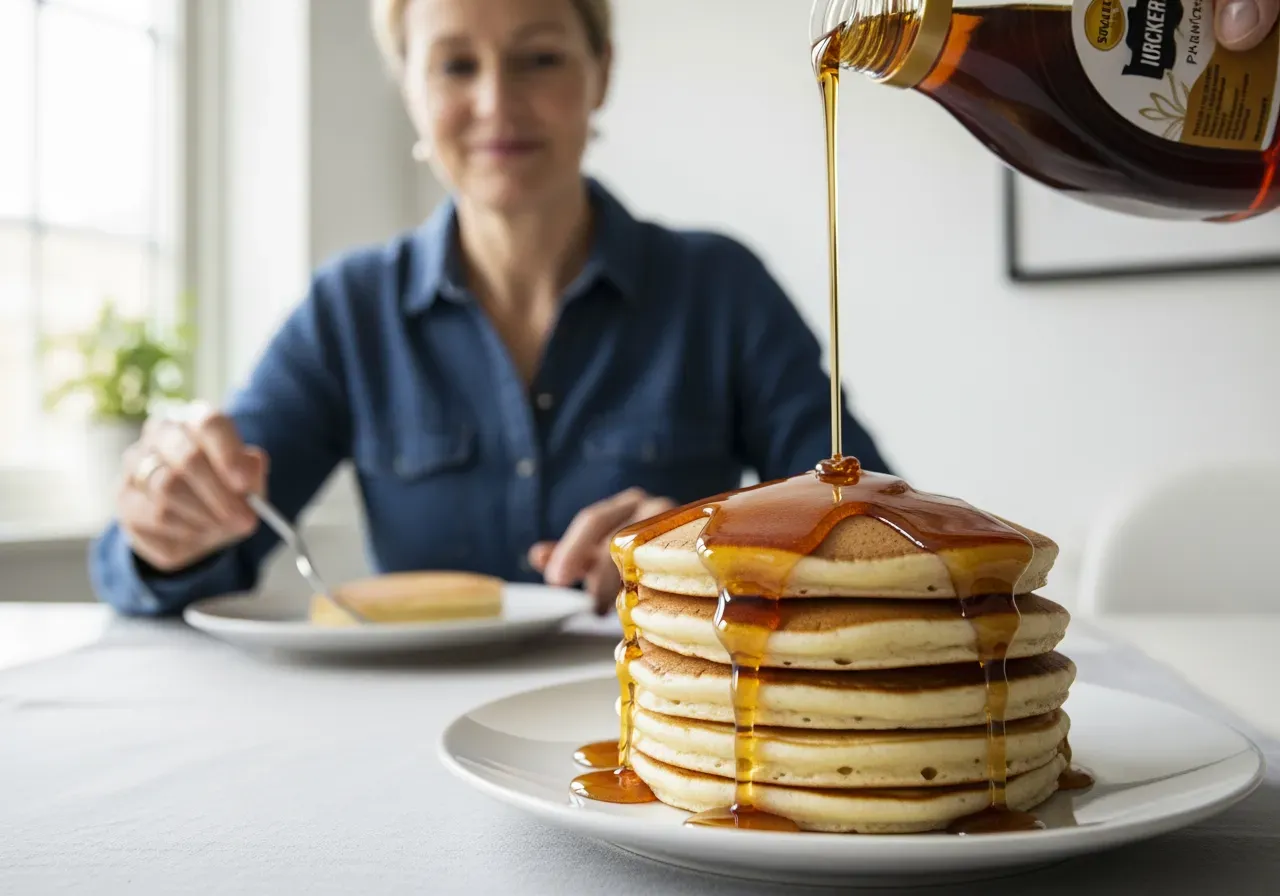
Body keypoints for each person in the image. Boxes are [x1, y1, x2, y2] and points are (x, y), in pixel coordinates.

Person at [88, 0, 892, 618]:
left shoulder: (721, 289)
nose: (497, 103)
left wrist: (701, 546)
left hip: (661, 737)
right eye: (455, 66)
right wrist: (169, 524)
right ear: (408, 85)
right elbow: (169, 558)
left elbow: (875, 530)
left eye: (539, 58)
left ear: (600, 72)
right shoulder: (349, 311)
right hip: (401, 739)